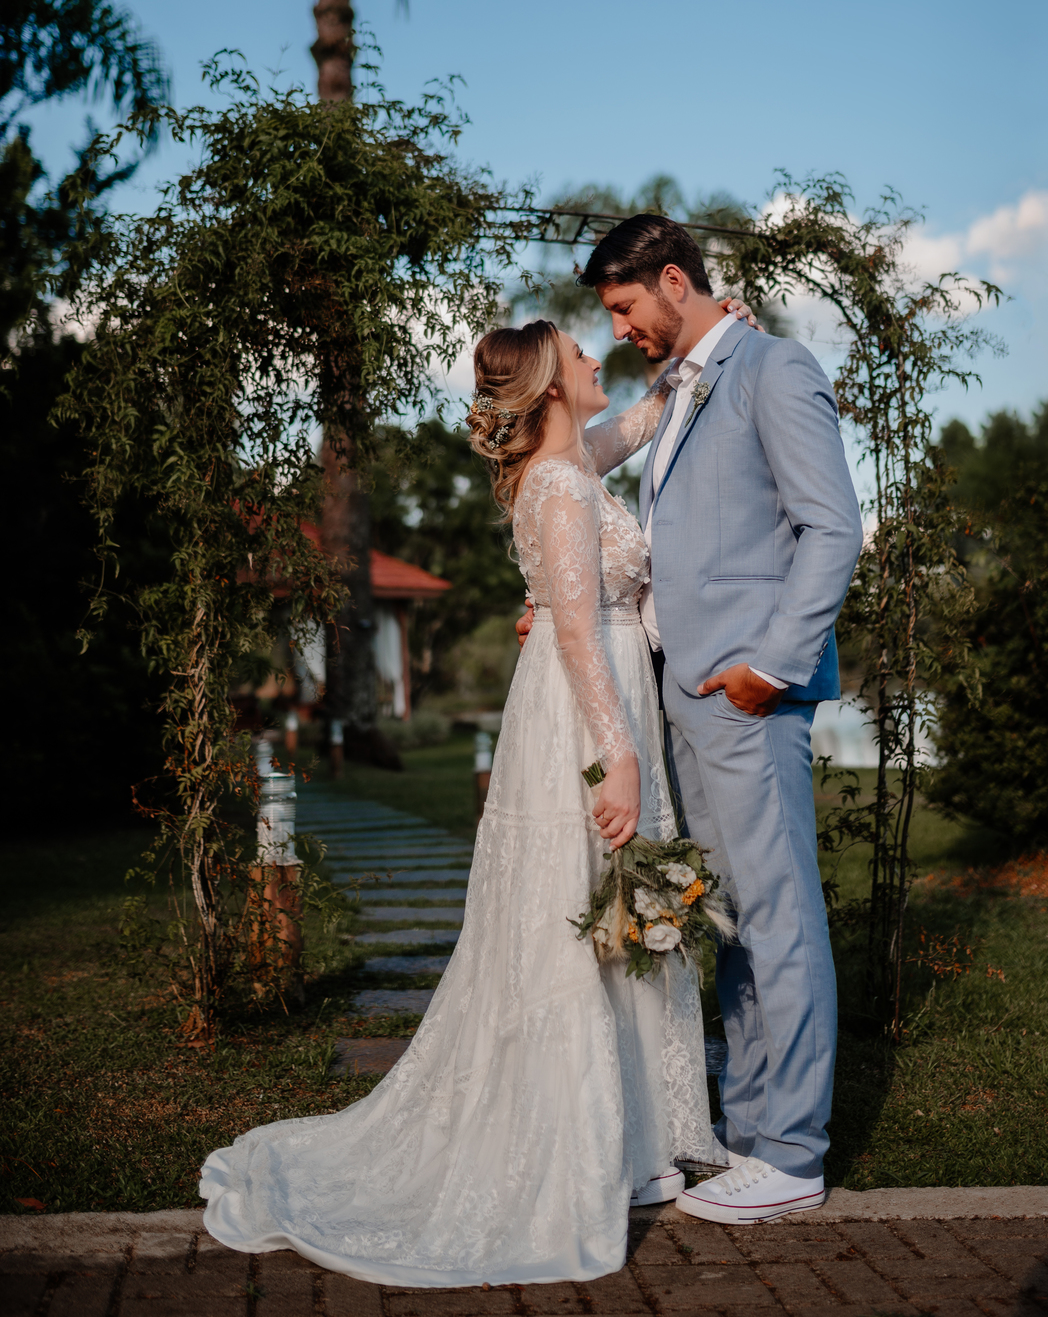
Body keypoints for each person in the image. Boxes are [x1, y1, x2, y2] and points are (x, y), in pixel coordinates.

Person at [200, 305, 754, 1288]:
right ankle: (597, 1145)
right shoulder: (558, 484)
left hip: (599, 690)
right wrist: (619, 755)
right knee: (583, 907)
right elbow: (575, 630)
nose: (596, 356)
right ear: (550, 384)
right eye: (580, 352)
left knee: (618, 903)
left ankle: (638, 1138)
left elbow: (637, 423)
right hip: (589, 707)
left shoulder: (570, 462)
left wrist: (701, 354)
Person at [569, 213, 863, 1223]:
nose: (619, 330)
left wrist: (768, 669)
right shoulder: (683, 387)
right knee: (730, 917)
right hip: (683, 694)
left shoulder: (774, 369)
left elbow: (832, 529)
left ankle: (795, 1153)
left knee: (779, 914)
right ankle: (747, 1131)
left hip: (747, 696)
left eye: (625, 307)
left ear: (673, 280)